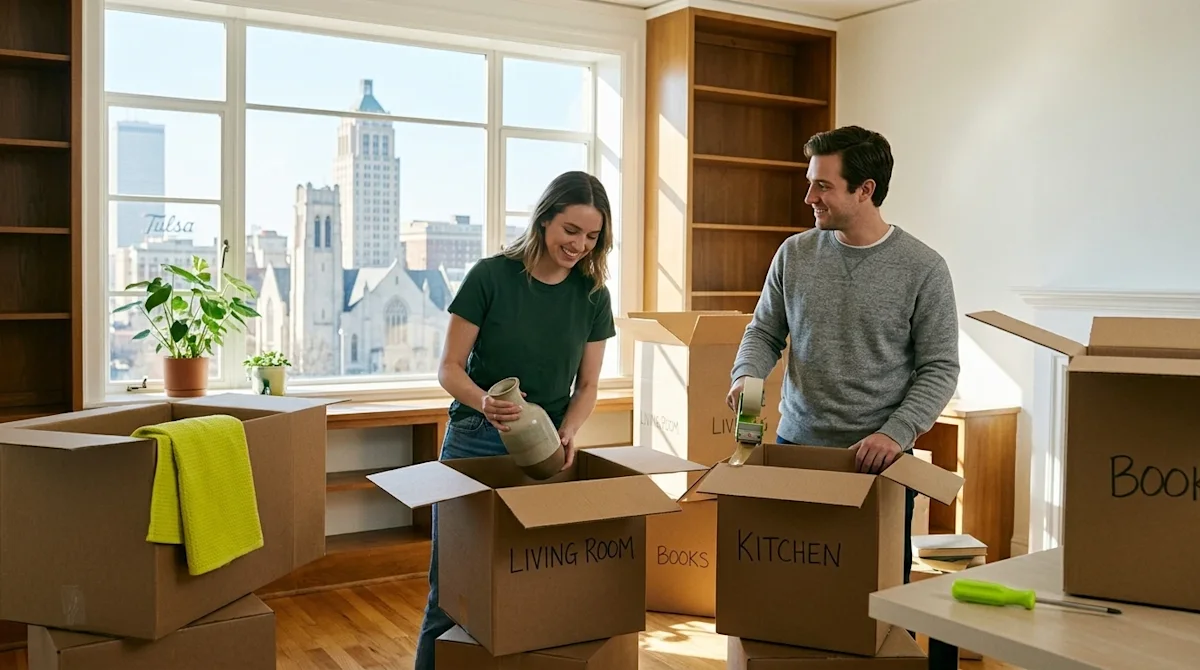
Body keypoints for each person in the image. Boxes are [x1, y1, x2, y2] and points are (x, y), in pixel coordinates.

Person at [725, 125, 960, 584]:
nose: (809, 196)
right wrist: (745, 377)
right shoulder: (794, 254)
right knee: (794, 588)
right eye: (810, 182)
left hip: (878, 461)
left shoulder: (924, 268)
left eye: (822, 185)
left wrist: (894, 434)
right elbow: (764, 332)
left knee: (878, 596)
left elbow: (940, 368)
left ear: (865, 190)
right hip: (796, 450)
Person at [413, 170, 617, 670]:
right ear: (544, 219)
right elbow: (449, 369)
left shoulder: (592, 295)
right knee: (454, 590)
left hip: (543, 453)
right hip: (473, 443)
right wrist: (484, 401)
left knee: (530, 580)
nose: (579, 245)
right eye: (571, 231)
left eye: (592, 237)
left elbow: (587, 385)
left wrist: (569, 430)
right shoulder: (490, 276)